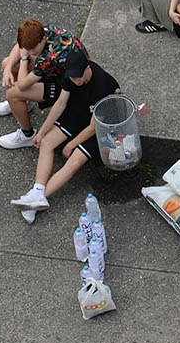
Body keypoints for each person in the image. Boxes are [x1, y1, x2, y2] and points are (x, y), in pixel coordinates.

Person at [9, 56, 122, 222]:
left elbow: (93, 127)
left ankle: (38, 199)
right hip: (78, 112)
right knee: (46, 143)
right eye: (72, 77)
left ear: (87, 69)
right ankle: (37, 192)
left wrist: (71, 145)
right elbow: (61, 103)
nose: (75, 81)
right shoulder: (71, 75)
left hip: (101, 126)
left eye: (78, 77)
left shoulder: (104, 86)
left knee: (74, 161)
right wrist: (41, 132)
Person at [0, 20, 91, 150]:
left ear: (42, 39)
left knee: (13, 93)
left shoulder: (49, 57)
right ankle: (22, 105)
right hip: (58, 71)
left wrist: (24, 58)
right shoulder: (43, 31)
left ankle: (27, 134)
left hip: (70, 87)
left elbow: (22, 85)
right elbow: (20, 46)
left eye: (33, 49)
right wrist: (8, 69)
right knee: (7, 63)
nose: (31, 51)